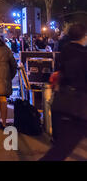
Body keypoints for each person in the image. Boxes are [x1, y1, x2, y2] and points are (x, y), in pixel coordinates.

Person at [40, 23, 87, 161]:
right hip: (78, 104)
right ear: (83, 36)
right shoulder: (82, 54)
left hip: (62, 101)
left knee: (61, 146)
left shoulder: (64, 50)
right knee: (62, 149)